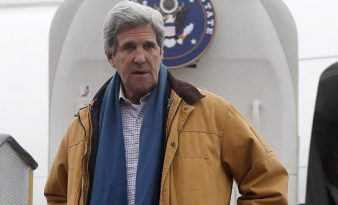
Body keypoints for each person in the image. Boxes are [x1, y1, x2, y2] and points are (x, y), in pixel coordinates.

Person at [44, 1, 288, 204]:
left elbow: (268, 183)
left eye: (149, 46)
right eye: (129, 47)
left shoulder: (213, 113)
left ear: (161, 52)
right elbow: (57, 195)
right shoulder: (82, 128)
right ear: (111, 57)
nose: (140, 57)